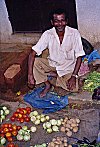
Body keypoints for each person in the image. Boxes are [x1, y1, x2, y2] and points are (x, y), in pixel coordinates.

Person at [28, 9, 85, 97]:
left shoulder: (74, 33)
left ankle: (52, 76)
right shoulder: (48, 34)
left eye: (62, 20)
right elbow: (32, 53)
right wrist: (30, 75)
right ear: (52, 22)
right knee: (35, 63)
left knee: (73, 88)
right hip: (52, 64)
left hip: (68, 67)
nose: (60, 24)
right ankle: (47, 84)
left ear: (66, 21)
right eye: (56, 21)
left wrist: (73, 76)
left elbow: (79, 56)